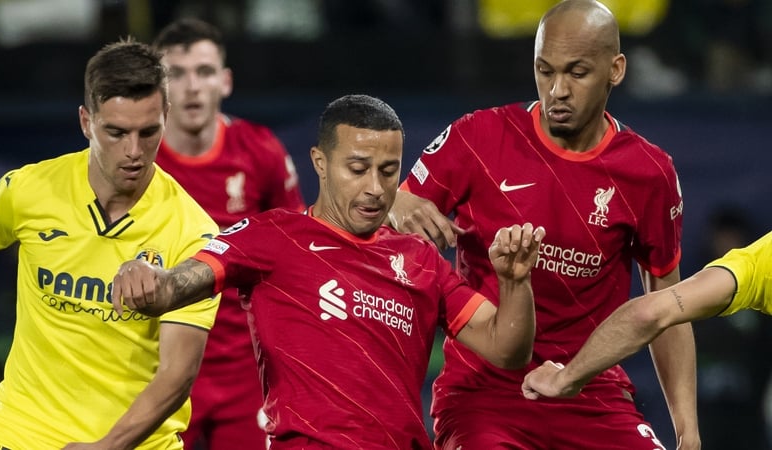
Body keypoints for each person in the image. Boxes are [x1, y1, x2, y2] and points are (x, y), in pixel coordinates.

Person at [110, 94, 546, 449]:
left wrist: (515, 282)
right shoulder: (273, 236)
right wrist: (147, 278)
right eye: (357, 169)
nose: (374, 188)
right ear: (320, 162)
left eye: (388, 171)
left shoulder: (421, 259)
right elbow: (178, 284)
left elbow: (507, 350)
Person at [387, 1, 700, 448]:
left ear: (615, 70)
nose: (557, 90)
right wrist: (397, 206)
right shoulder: (479, 135)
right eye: (545, 70)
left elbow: (668, 308)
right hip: (483, 395)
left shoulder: (649, 172)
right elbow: (392, 209)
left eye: (576, 73)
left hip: (591, 392)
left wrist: (688, 431)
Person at [0, 39, 220, 449]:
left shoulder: (193, 233)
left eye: (148, 132)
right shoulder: (28, 190)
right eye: (116, 132)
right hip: (21, 432)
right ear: (86, 122)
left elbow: (177, 375)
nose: (134, 151)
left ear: (166, 117)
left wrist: (108, 446)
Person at [151, 17, 306, 450]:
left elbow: (296, 253)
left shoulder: (260, 150)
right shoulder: (137, 159)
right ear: (158, 85)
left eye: (204, 72)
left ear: (225, 81)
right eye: (176, 74)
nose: (192, 87)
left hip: (245, 369)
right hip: (157, 363)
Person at [521, 229, 772, 398]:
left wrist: (564, 379)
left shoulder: (761, 261)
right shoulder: (761, 263)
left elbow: (648, 313)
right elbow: (648, 314)